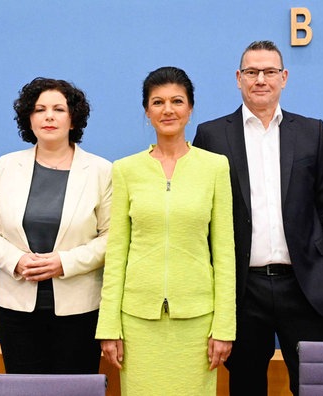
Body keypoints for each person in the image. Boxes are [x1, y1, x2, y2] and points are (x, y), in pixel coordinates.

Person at [193, 40, 323, 396]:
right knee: (246, 386)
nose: (260, 79)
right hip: (244, 291)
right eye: (251, 71)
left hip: (306, 285)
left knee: (319, 387)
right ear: (238, 78)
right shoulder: (212, 135)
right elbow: (204, 216)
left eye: (269, 71)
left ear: (284, 77)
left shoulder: (311, 131)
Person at [96, 66, 235, 395]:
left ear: (190, 108)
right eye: (158, 102)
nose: (168, 109)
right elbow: (116, 254)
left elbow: (225, 254)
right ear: (147, 112)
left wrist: (224, 326)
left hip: (198, 322)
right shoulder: (126, 170)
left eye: (177, 101)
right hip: (138, 323)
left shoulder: (215, 167)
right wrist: (109, 325)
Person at [0, 78, 111, 374]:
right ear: (29, 118)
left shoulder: (101, 170)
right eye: (40, 109)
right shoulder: (7, 166)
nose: (49, 116)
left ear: (73, 118)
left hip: (80, 311)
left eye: (58, 109)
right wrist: (18, 260)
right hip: (16, 311)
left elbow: (111, 238)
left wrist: (64, 262)